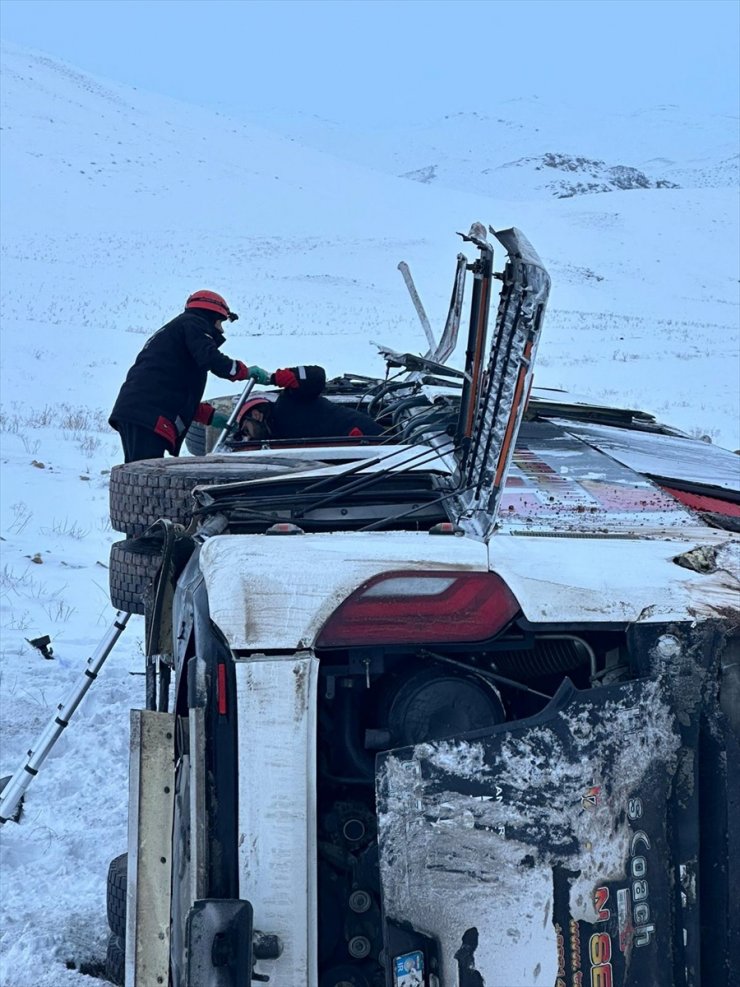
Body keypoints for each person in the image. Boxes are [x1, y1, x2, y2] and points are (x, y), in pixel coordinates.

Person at [109, 290, 271, 462]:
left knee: (141, 473)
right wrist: (243, 372)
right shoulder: (193, 323)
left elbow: (174, 391)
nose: (221, 329)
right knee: (144, 474)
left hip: (141, 410)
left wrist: (209, 416)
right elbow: (211, 357)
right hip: (147, 414)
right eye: (221, 322)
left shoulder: (178, 338)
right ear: (211, 315)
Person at [235, 365, 383, 441]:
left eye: (246, 430)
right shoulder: (275, 437)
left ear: (256, 415)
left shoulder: (289, 401)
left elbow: (316, 375)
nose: (247, 437)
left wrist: (274, 378)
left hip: (368, 437)